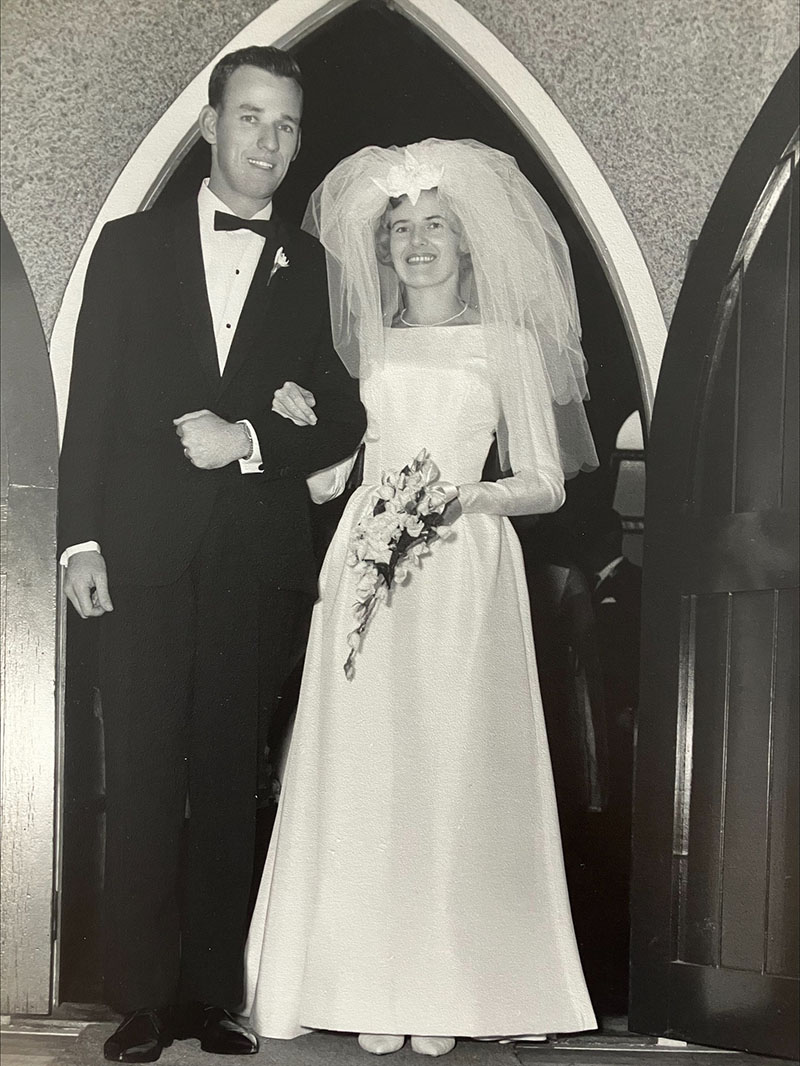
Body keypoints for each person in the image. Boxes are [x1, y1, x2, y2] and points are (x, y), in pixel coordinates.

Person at [244, 139, 599, 1056]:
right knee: (368, 766)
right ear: (382, 248)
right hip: (368, 559)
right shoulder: (360, 347)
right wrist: (296, 426)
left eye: (434, 225)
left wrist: (462, 498)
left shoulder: (508, 345)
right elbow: (331, 478)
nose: (417, 242)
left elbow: (546, 482)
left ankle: (444, 989)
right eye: (400, 229)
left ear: (468, 241)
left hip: (464, 565)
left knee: (452, 762)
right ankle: (363, 982)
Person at [58, 46, 366, 1063]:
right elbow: (91, 400)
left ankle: (208, 998)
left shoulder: (312, 268)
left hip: (253, 562)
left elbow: (344, 417)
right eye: (250, 117)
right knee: (144, 773)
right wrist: (80, 539)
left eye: (286, 125)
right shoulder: (129, 247)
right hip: (139, 554)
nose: (268, 141)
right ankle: (140, 1001)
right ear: (209, 125)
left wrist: (253, 439)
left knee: (231, 778)